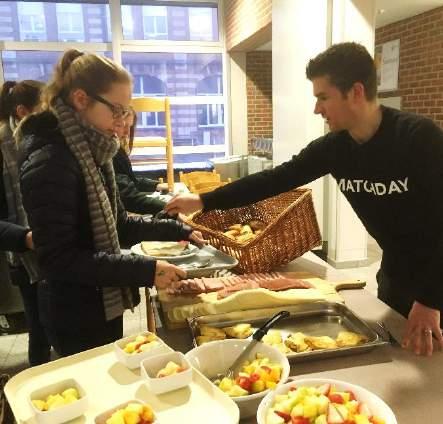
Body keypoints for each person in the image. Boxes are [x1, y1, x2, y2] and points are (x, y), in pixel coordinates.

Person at [166, 42, 443, 357]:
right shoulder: (335, 147)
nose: (317, 109)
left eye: (323, 97)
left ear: (355, 91)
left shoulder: (419, 138)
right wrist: (203, 201)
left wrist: (431, 299)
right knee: (400, 355)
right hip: (396, 271)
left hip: (437, 270)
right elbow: (274, 180)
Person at [18, 49, 204, 357]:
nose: (122, 122)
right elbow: (58, 260)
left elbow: (120, 224)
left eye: (126, 111)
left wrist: (176, 230)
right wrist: (145, 270)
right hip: (74, 313)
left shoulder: (94, 152)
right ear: (81, 100)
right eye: (116, 110)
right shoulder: (51, 160)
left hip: (100, 302)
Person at [0, 80, 52, 366]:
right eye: (44, 109)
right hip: (22, 255)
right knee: (38, 327)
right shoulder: (5, 147)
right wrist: (26, 238)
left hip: (49, 246)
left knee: (54, 322)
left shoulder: (38, 143)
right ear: (22, 111)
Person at [113, 109, 168, 215]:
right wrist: (168, 208)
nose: (127, 132)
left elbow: (129, 181)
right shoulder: (111, 153)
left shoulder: (118, 148)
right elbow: (129, 197)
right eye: (124, 125)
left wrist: (155, 185)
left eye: (130, 127)